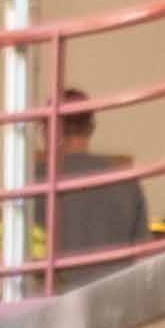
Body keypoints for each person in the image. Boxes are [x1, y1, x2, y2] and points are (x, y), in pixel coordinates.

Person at [43, 92, 152, 270]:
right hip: (114, 292)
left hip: (54, 293)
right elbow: (144, 254)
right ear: (91, 127)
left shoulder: (34, 183)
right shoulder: (127, 182)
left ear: (49, 129)